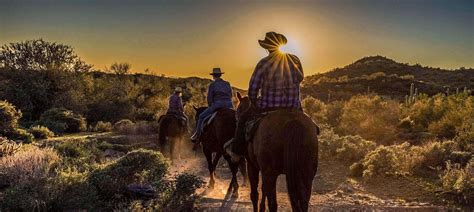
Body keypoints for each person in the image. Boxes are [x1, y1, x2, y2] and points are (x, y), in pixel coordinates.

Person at [226, 31, 304, 158]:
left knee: (243, 119)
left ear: (267, 47)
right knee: (308, 123)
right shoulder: (295, 59)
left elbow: (253, 88)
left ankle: (237, 152)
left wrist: (253, 102)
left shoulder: (263, 63)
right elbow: (301, 78)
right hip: (293, 106)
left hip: (268, 106)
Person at [190, 68, 234, 142]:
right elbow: (230, 95)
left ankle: (197, 135)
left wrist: (211, 105)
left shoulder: (212, 85)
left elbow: (209, 98)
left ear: (213, 76)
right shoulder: (227, 84)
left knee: (201, 117)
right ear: (220, 75)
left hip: (217, 105)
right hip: (229, 105)